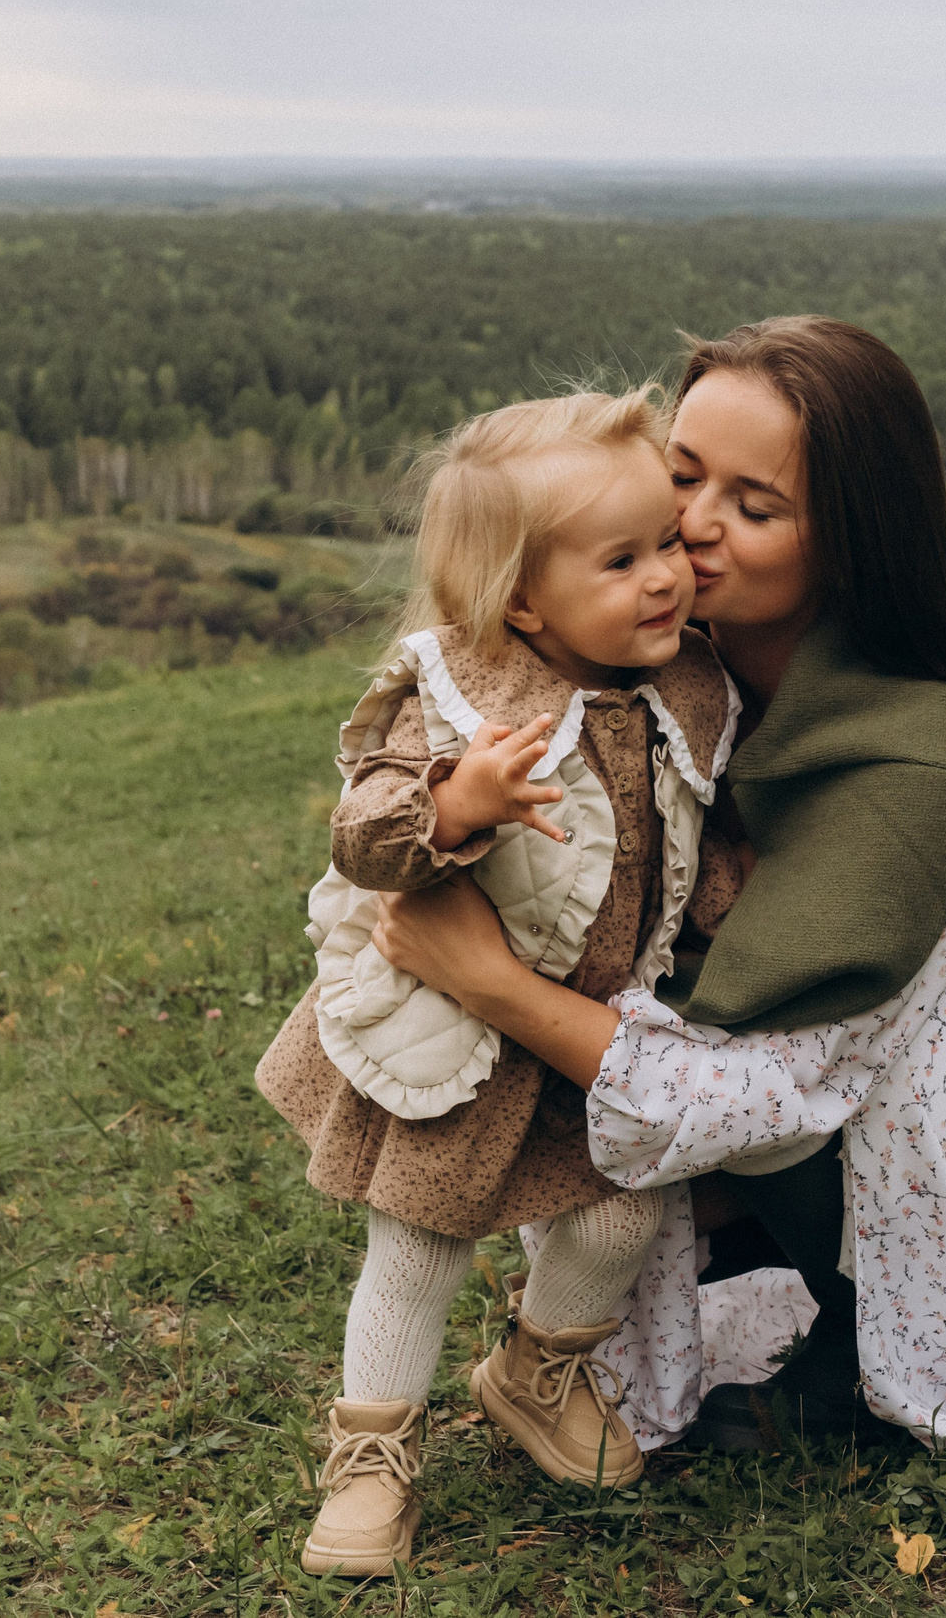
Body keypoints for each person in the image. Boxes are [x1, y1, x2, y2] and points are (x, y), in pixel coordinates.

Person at [371, 316, 946, 1452]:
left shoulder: (913, 771)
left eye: (755, 510)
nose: (692, 533)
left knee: (744, 1073)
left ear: (852, 541)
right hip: (855, 1055)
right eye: (679, 479)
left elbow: (772, 1083)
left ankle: (863, 1341)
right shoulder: (675, 680)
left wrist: (490, 985)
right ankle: (747, 1259)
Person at [253, 389, 742, 1576]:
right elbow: (363, 836)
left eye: (666, 545)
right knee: (420, 1248)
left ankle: (538, 1365)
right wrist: (454, 805)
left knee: (622, 1214)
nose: (665, 577)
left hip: (591, 1032)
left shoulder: (684, 690)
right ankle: (370, 1455)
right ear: (522, 599)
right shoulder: (464, 695)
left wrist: (736, 916)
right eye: (620, 559)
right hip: (457, 1039)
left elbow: (696, 839)